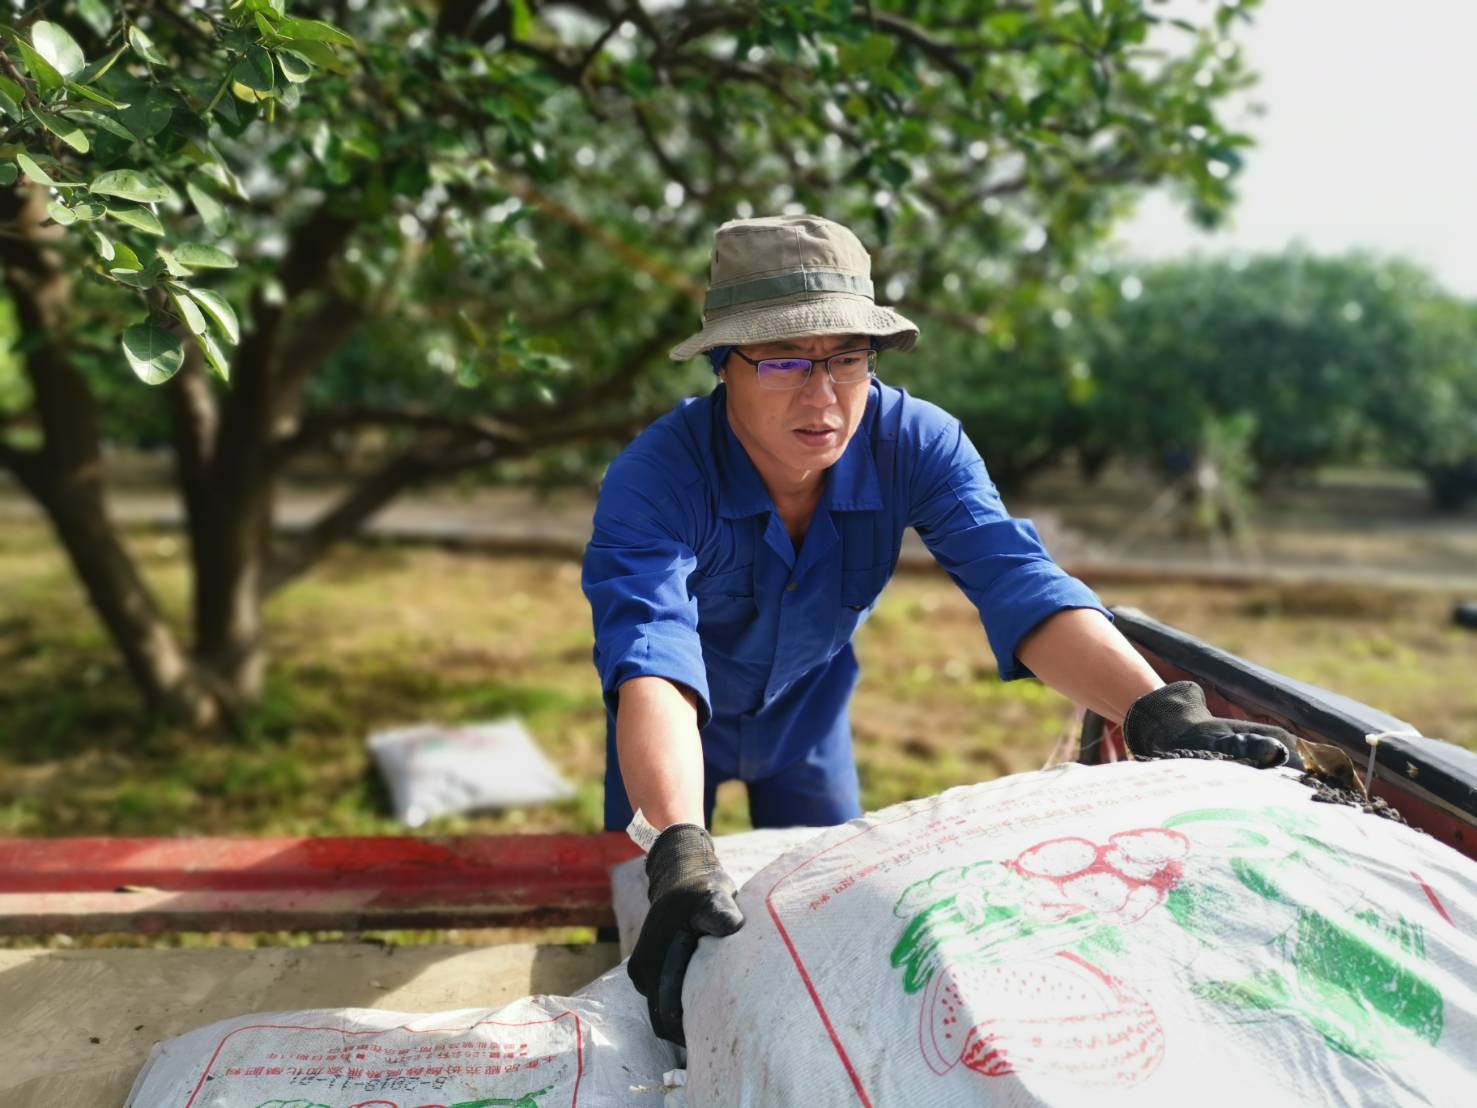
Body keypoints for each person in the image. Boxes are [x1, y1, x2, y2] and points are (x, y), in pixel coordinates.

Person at [580, 214, 1293, 1045]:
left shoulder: (914, 443)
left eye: (847, 358)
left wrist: (1155, 712)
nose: (822, 396)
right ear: (722, 363)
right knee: (651, 947)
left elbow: (1015, 580)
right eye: (783, 360)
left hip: (808, 718)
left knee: (821, 939)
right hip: (664, 730)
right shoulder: (655, 478)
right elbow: (651, 653)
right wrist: (673, 841)